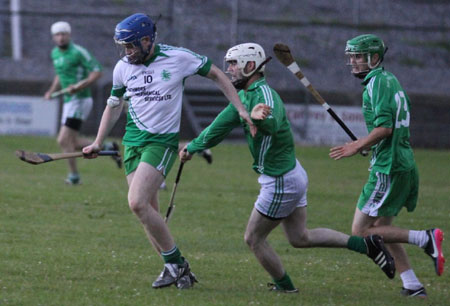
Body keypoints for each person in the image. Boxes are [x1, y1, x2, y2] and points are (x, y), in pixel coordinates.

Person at [180, 42, 396, 293]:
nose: (229, 69)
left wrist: (261, 119)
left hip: (280, 181)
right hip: (291, 175)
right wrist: (193, 147)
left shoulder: (266, 97)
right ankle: (367, 245)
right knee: (299, 238)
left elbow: (273, 123)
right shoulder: (244, 97)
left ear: (250, 66)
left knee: (253, 239)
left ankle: (286, 288)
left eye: (233, 64)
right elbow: (219, 126)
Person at [82, 13, 256, 289]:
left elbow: (217, 74)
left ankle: (177, 264)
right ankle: (176, 270)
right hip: (132, 144)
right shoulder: (123, 67)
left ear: (147, 40)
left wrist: (241, 108)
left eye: (131, 46)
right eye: (123, 47)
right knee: (146, 212)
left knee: (136, 202)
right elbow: (113, 105)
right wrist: (98, 142)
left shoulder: (178, 58)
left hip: (161, 143)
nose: (126, 52)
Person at [329, 34, 445, 298]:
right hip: (402, 160)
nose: (353, 62)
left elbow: (385, 127)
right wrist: (371, 144)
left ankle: (425, 238)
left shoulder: (376, 84)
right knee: (383, 229)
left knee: (360, 231)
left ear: (375, 58)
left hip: (389, 167)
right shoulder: (389, 79)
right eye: (351, 57)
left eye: (358, 56)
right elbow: (390, 129)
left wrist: (357, 145)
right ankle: (413, 285)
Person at [44, 21, 121, 185]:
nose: (61, 37)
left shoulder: (79, 52)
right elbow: (60, 75)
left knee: (63, 140)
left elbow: (97, 71)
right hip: (68, 101)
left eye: (63, 34)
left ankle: (74, 177)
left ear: (69, 35)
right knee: (70, 142)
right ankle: (107, 147)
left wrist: (79, 86)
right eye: (57, 35)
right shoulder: (55, 54)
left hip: (80, 100)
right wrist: (51, 91)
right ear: (53, 38)